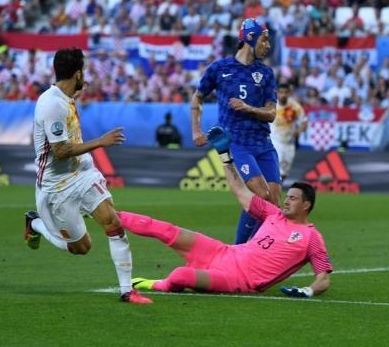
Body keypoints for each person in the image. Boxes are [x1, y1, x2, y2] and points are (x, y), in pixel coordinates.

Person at [127, 126, 332, 297]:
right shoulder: (273, 213)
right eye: (287, 197)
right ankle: (113, 217)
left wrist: (307, 291)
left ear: (306, 205)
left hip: (237, 279)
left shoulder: (311, 237)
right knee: (167, 230)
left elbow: (323, 279)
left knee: (181, 275)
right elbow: (240, 191)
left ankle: (158, 284)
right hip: (223, 252)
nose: (286, 201)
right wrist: (225, 156)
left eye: (293, 199)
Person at [23, 48, 152, 304]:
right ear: (78, 73)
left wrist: (77, 91)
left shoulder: (64, 96)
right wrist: (101, 142)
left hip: (82, 173)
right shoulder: (51, 104)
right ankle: (35, 223)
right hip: (56, 186)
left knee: (113, 222)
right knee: (81, 248)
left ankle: (127, 291)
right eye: (83, 72)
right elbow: (60, 151)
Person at [190, 18, 279, 244]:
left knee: (273, 203)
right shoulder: (220, 69)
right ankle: (241, 249)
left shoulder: (266, 73)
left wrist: (248, 108)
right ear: (250, 38)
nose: (268, 46)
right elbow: (197, 98)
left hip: (264, 143)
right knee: (261, 195)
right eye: (264, 40)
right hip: (237, 143)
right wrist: (196, 129)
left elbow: (271, 113)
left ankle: (250, 252)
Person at [270, 83, 308, 181]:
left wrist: (299, 130)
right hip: (275, 140)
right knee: (275, 167)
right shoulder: (272, 105)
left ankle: (278, 186)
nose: (283, 95)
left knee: (284, 173)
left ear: (289, 93)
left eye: (285, 92)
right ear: (277, 93)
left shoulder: (295, 107)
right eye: (281, 92)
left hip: (289, 142)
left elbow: (304, 123)